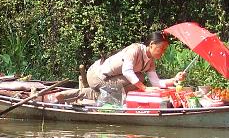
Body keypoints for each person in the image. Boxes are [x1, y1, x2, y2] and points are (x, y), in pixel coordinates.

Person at [54, 31, 186, 103]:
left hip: (109, 81)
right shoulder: (134, 50)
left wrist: (174, 80)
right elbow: (127, 71)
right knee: (138, 79)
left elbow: (156, 82)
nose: (162, 52)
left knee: (105, 95)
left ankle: (64, 95)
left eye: (164, 50)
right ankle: (116, 99)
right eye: (161, 48)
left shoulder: (150, 61)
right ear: (151, 44)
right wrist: (145, 88)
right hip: (96, 76)